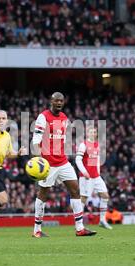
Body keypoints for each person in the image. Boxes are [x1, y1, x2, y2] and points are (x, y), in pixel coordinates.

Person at [31, 92, 97, 237]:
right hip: (48, 164)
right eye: (56, 101)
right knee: (43, 194)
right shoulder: (43, 117)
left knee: (75, 190)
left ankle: (80, 228)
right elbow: (36, 140)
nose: (59, 103)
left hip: (63, 161)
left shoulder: (64, 118)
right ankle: (36, 230)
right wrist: (39, 159)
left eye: (61, 101)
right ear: (51, 101)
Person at [76, 126, 112, 229]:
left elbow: (97, 161)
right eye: (90, 132)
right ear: (87, 134)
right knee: (83, 198)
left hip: (96, 176)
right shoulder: (83, 145)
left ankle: (102, 220)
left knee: (105, 195)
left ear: (96, 134)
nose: (92, 133)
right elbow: (78, 160)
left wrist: (98, 173)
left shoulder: (97, 145)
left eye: (94, 132)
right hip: (85, 177)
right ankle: (79, 223)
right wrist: (84, 172)